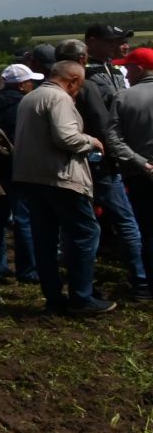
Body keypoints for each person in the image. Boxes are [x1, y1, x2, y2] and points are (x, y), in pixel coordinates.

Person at [13, 59, 112, 315]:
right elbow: (66, 136)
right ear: (73, 81)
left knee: (44, 239)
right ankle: (82, 297)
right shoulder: (59, 99)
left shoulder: (31, 97)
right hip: (60, 178)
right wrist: (92, 141)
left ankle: (54, 298)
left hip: (32, 178)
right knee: (85, 233)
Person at [59, 34, 151, 300]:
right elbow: (104, 129)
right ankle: (140, 280)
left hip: (68, 167)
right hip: (100, 164)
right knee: (126, 221)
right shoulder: (86, 87)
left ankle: (82, 281)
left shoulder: (48, 89)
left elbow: (112, 134)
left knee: (76, 225)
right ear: (82, 58)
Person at [0, 62, 40, 284]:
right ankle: (27, 269)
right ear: (22, 85)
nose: (32, 85)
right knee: (23, 219)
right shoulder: (26, 105)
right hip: (20, 167)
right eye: (30, 81)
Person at [109, 46, 153, 292]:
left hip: (140, 174)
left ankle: (146, 286)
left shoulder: (123, 97)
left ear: (139, 68)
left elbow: (114, 140)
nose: (125, 72)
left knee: (147, 229)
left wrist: (141, 163)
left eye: (127, 67)